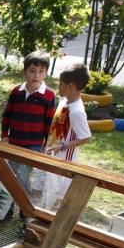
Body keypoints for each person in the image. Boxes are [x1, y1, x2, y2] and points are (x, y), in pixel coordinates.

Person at [0, 50, 56, 191]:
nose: (36, 75)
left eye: (41, 71)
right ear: (24, 71)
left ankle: (24, 206)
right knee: (11, 174)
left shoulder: (49, 95)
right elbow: (7, 115)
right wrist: (4, 135)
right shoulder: (16, 92)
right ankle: (10, 207)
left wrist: (46, 144)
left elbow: (49, 122)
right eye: (32, 71)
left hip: (33, 144)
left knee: (23, 175)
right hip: (14, 141)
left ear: (46, 72)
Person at [42, 63, 93, 210]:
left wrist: (62, 146)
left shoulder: (77, 111)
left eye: (61, 84)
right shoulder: (65, 102)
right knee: (49, 191)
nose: (59, 86)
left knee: (59, 197)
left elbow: (86, 137)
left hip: (65, 162)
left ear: (70, 87)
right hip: (53, 156)